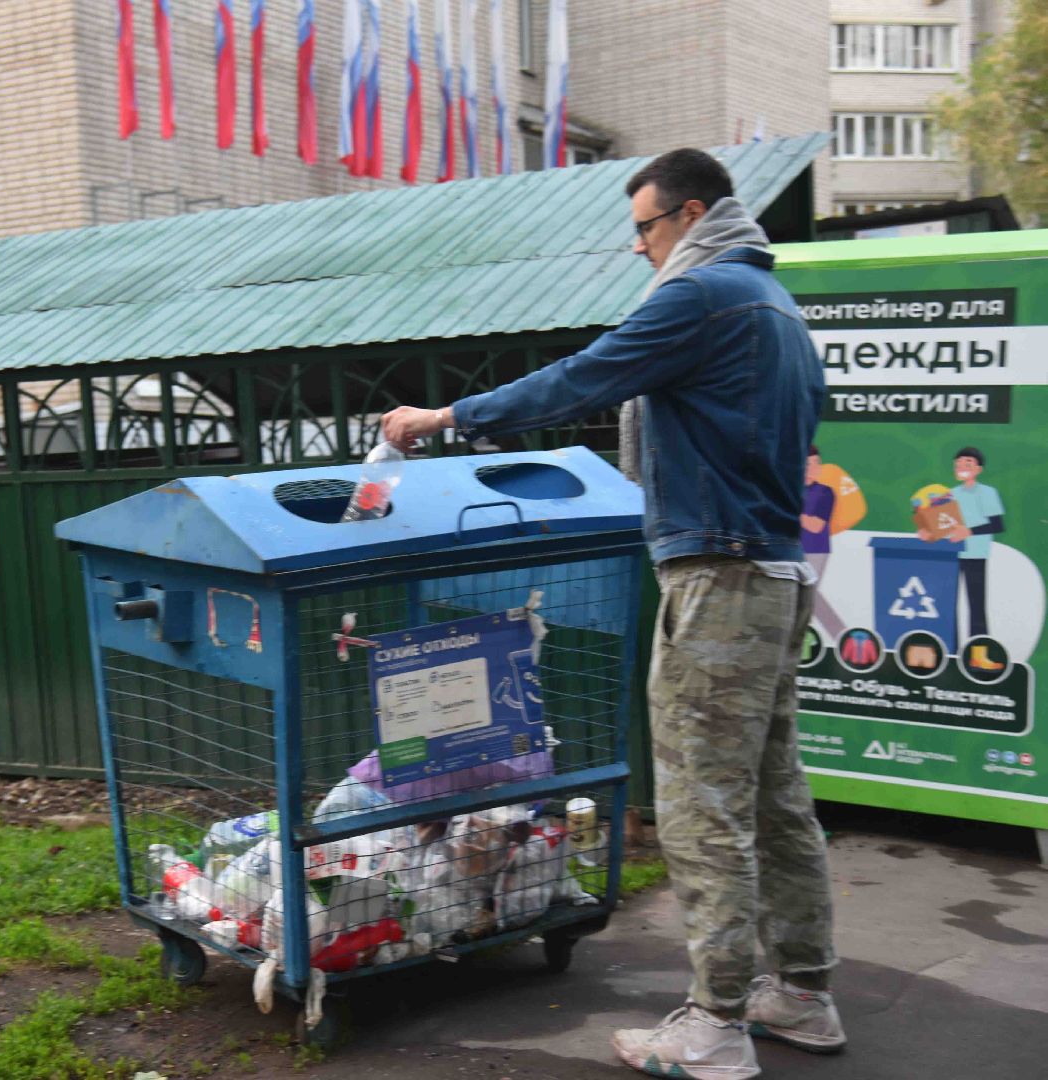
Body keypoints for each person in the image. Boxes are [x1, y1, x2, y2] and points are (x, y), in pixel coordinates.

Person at [382, 149, 843, 1080]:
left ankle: (716, 1025)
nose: (638, 247)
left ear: (691, 213)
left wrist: (444, 418)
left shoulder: (702, 293)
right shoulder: (779, 309)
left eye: (645, 227)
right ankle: (801, 991)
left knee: (701, 805)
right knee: (772, 797)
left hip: (718, 575)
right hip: (779, 573)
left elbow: (583, 378)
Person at [918, 447, 1004, 641]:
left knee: (976, 604)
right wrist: (928, 532)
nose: (962, 466)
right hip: (951, 554)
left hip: (975, 554)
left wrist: (969, 531)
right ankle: (951, 648)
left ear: (978, 469)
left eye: (968, 463)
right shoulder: (949, 494)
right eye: (959, 463)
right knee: (948, 604)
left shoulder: (987, 493)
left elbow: (997, 524)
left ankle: (978, 649)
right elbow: (941, 526)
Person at [801, 446, 847, 641]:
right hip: (792, 549)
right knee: (808, 596)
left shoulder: (824, 493)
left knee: (807, 595)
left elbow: (815, 526)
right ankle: (841, 635)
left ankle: (840, 635)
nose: (813, 468)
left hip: (815, 550)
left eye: (816, 463)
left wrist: (789, 509)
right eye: (808, 464)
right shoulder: (791, 490)